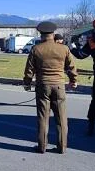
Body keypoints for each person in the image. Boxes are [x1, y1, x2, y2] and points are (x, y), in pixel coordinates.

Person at [24, 21, 78, 154]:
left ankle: (42, 146)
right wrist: (73, 80)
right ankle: (62, 147)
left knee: (43, 117)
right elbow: (71, 67)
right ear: (53, 34)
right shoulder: (64, 49)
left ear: (41, 34)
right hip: (59, 85)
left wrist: (27, 82)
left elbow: (29, 69)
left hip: (43, 85)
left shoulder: (36, 49)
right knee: (61, 117)